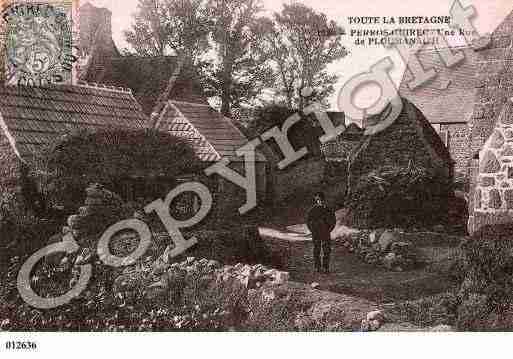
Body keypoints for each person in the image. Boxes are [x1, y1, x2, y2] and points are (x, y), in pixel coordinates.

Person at [307, 192, 336, 274]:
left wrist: (328, 229)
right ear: (316, 201)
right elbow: (308, 222)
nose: (320, 201)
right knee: (316, 250)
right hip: (316, 233)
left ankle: (326, 267)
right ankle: (317, 267)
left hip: (326, 232)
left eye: (321, 200)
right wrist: (313, 230)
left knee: (327, 250)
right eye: (318, 200)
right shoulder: (312, 210)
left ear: (324, 200)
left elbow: (333, 221)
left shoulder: (328, 210)